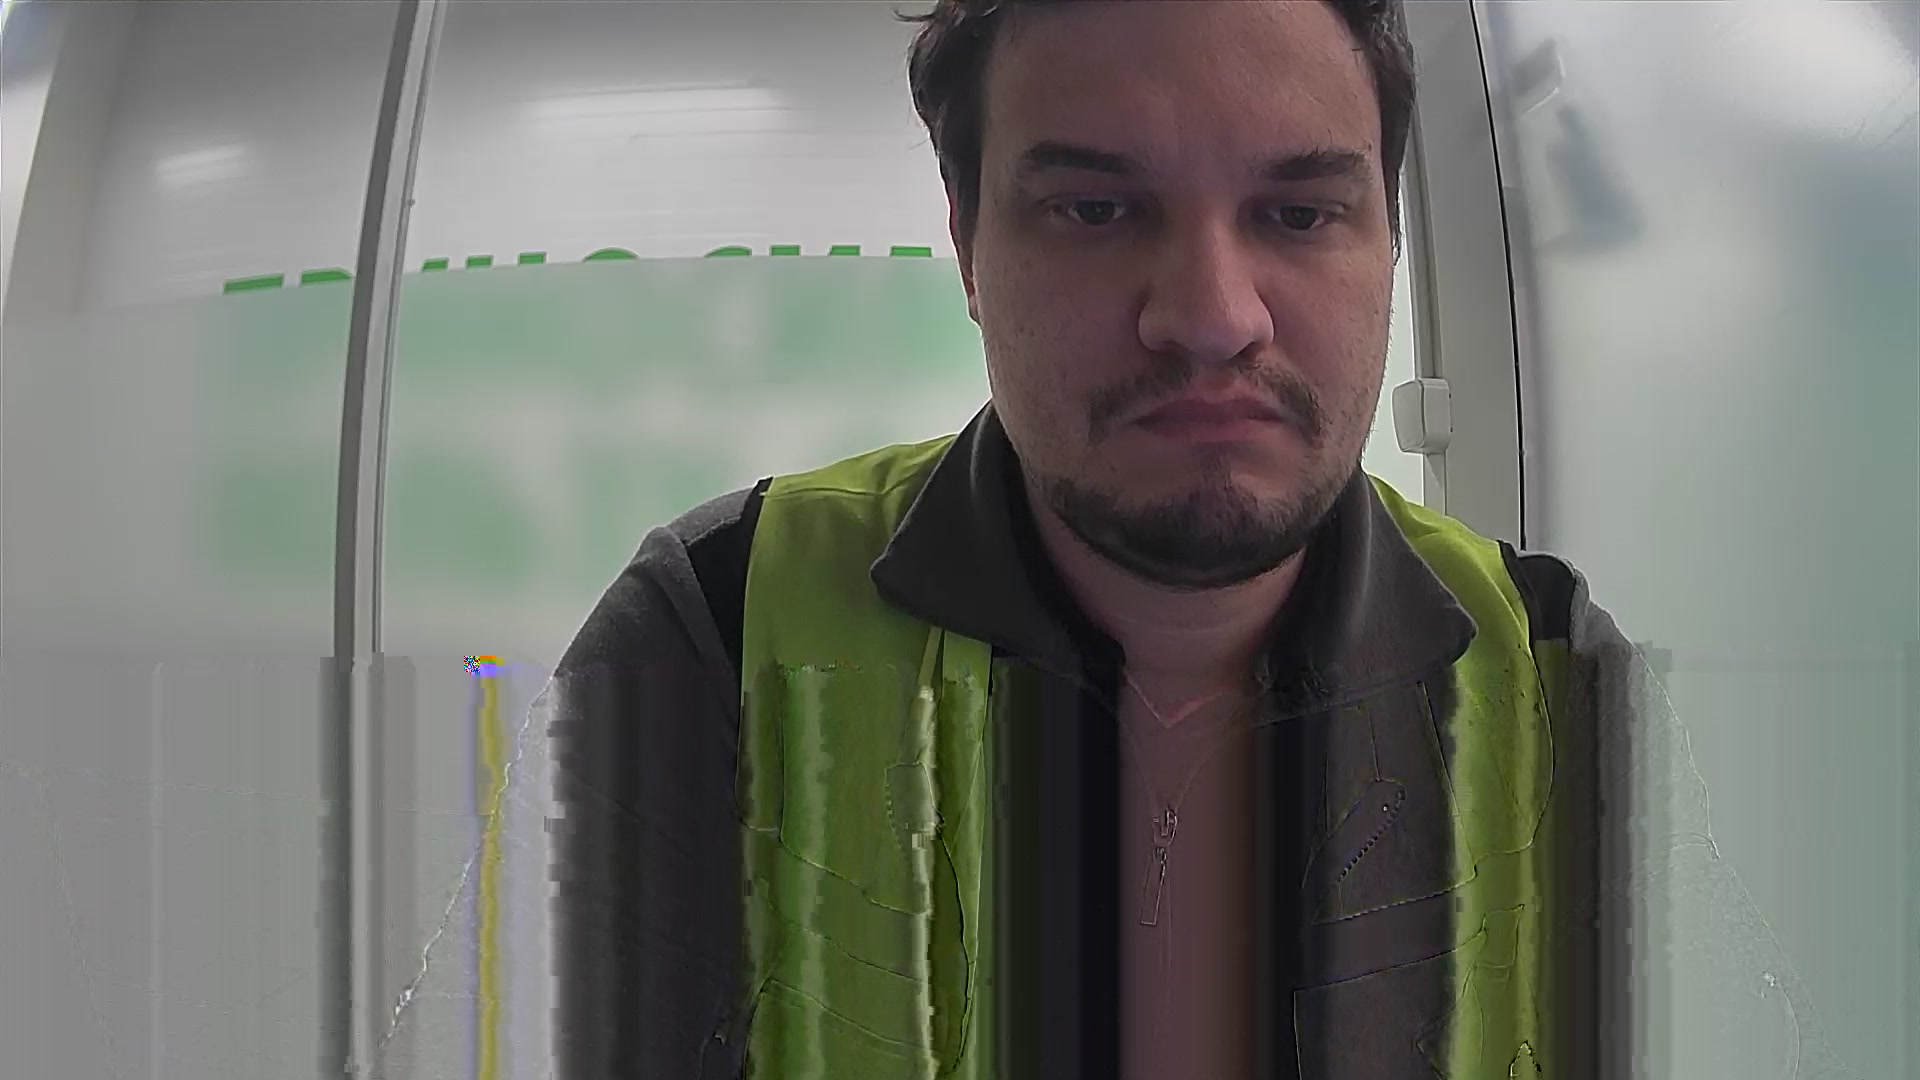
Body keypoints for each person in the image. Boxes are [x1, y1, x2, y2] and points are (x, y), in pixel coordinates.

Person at [544, 2, 1851, 1077]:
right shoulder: (715, 624)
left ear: (1388, 247)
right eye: (1096, 210)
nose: (1214, 317)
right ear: (969, 247)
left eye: (1299, 213)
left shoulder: (1550, 661)